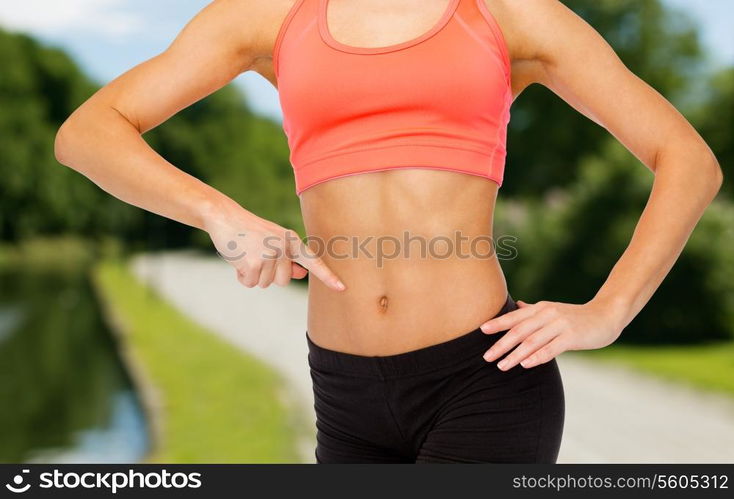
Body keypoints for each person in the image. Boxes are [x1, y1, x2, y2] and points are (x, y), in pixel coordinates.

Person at [54, 0, 723, 463]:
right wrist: (219, 213)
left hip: (481, 379)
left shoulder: (508, 13)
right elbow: (89, 131)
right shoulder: (269, 15)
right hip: (344, 392)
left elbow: (687, 159)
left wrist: (609, 311)